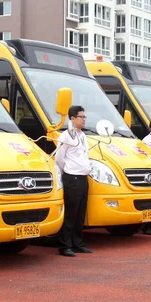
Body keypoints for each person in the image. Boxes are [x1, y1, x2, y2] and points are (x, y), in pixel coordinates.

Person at [55, 106, 93, 257]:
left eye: (84, 117)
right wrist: (68, 171)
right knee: (70, 213)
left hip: (83, 177)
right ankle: (65, 245)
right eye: (81, 117)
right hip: (72, 177)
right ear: (72, 118)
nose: (84, 119)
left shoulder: (82, 135)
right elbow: (59, 158)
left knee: (80, 213)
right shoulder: (66, 135)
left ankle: (77, 243)